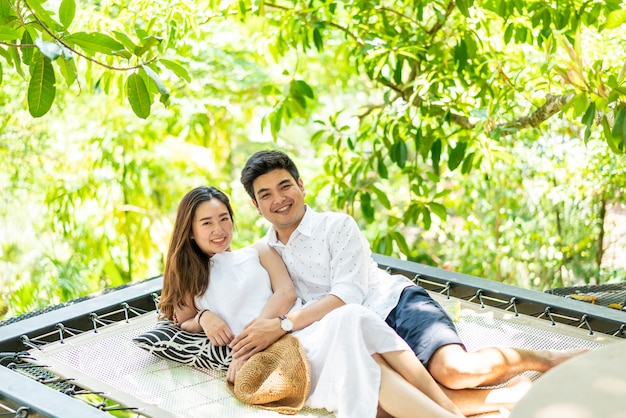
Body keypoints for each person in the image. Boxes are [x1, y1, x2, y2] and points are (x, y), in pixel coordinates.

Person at [233, 150, 586, 415]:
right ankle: (505, 396)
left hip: (394, 306)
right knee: (383, 404)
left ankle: (543, 358)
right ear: (255, 205)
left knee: (454, 371)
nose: (278, 199)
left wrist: (282, 325)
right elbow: (228, 284)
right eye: (265, 194)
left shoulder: (336, 226)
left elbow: (349, 295)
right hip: (351, 335)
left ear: (301, 186)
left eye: (285, 186)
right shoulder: (265, 250)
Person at [158, 186, 465, 418]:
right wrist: (205, 318)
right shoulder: (189, 278)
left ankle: (448, 408)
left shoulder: (258, 251)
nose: (219, 229)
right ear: (190, 231)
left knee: (353, 315)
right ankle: (451, 411)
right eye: (207, 223)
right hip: (282, 354)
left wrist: (261, 328)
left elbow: (286, 294)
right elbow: (181, 321)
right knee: (370, 369)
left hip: (298, 328)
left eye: (224, 219)